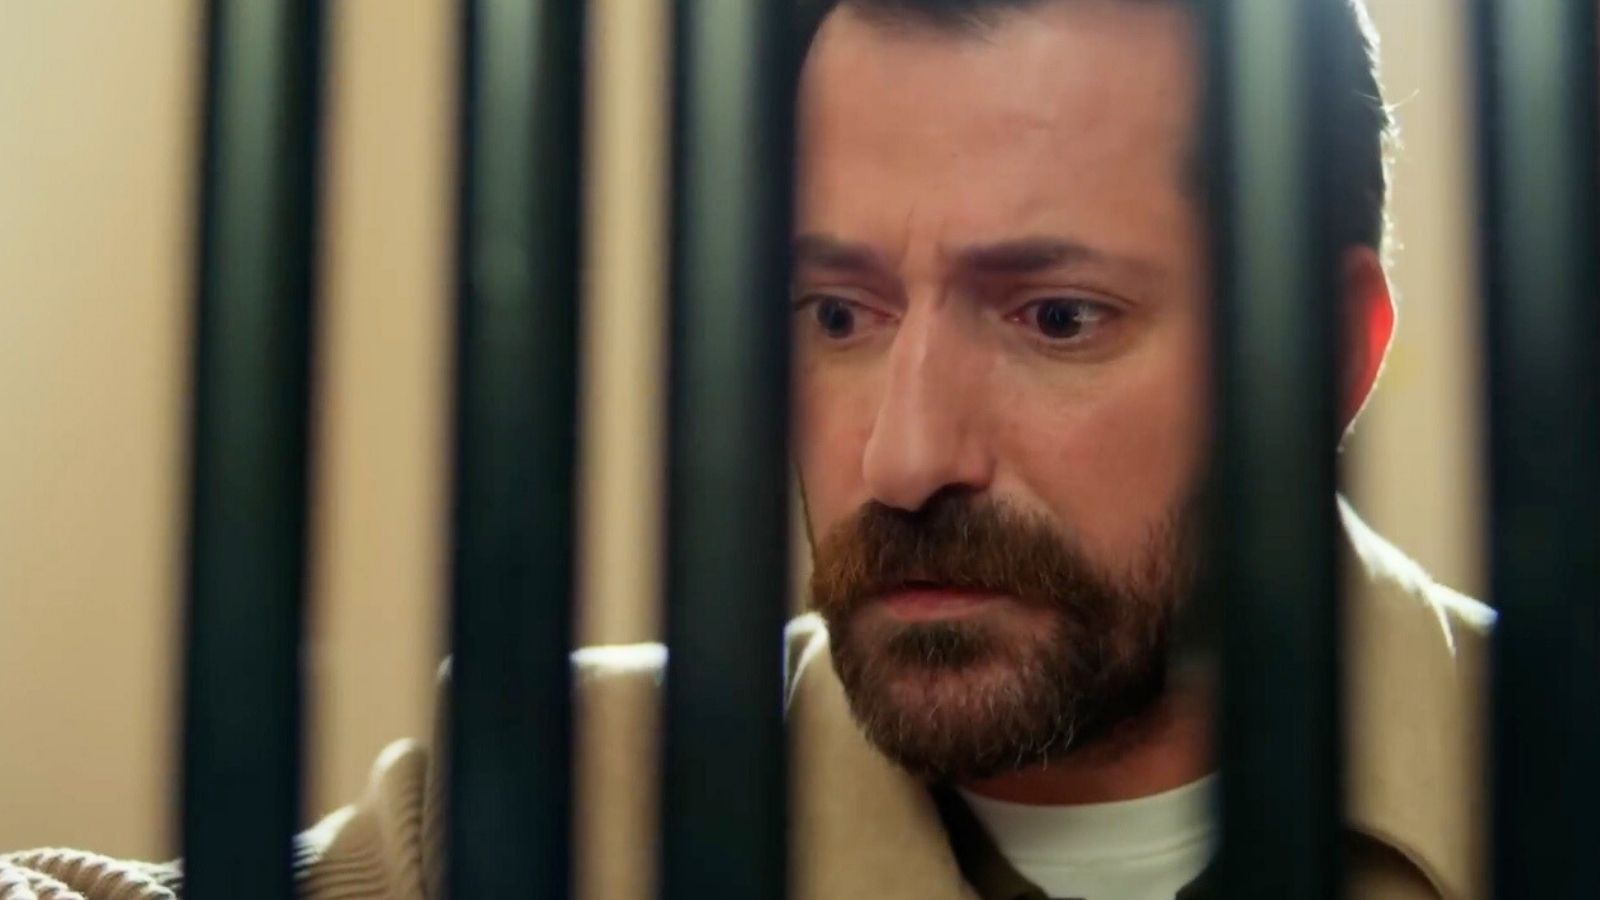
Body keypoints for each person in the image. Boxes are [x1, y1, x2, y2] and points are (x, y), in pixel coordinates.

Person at [1, 1, 1492, 898]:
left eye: (1055, 316)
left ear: (1327, 357)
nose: (902, 458)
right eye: (838, 314)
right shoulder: (575, 799)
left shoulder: (1549, 782)